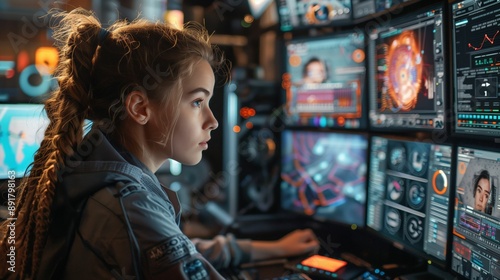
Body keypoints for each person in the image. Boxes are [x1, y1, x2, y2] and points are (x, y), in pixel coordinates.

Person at [0, 8, 319, 280]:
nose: (212, 121)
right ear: (140, 108)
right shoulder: (130, 205)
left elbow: (175, 248)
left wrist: (272, 249)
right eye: (197, 102)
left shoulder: (95, 173)